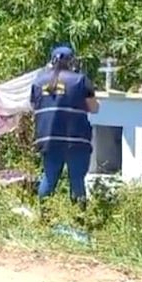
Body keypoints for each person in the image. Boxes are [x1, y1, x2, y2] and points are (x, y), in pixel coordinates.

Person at [30, 46, 100, 206]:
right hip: (76, 139)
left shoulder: (38, 82)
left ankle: (43, 215)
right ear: (72, 62)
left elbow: (34, 106)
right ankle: (79, 216)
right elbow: (94, 108)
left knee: (49, 178)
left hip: (48, 139)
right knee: (77, 180)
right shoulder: (80, 80)